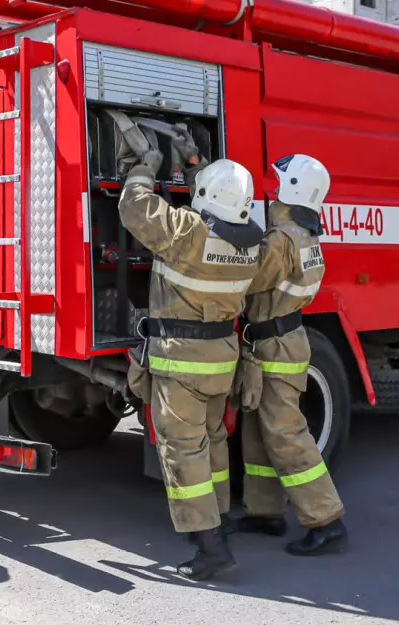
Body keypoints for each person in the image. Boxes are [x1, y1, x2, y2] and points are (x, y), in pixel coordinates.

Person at [119, 126, 263, 581]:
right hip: (221, 362)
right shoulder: (249, 246)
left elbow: (134, 207)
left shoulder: (186, 232)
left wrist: (144, 168)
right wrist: (197, 166)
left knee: (183, 452)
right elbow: (217, 210)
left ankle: (209, 546)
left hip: (181, 364)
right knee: (213, 442)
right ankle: (219, 519)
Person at [233, 154, 348, 555]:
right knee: (258, 430)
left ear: (292, 188)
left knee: (286, 434)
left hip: (276, 343)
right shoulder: (304, 234)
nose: (273, 191)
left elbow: (246, 278)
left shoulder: (282, 239)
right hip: (279, 340)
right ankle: (265, 512)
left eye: (279, 183)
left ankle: (327, 520)